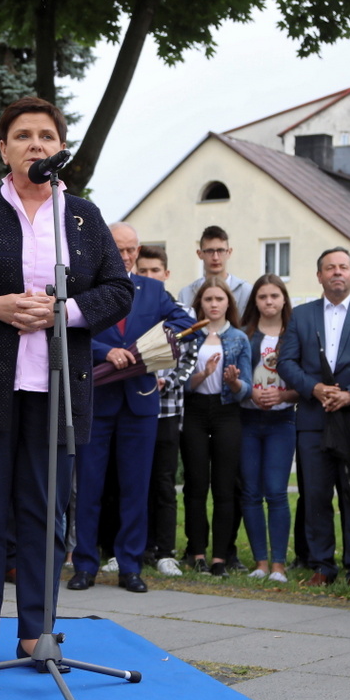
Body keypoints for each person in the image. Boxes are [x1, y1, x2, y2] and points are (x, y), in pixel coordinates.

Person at [0, 96, 132, 669]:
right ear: (4, 149)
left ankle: (36, 634)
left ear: (60, 149)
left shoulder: (82, 217)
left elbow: (118, 290)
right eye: (23, 136)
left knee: (44, 515)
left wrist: (61, 311)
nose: (35, 145)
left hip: (58, 389)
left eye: (46, 136)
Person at [69, 222, 196, 594]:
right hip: (96, 399)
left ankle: (130, 566)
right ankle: (85, 564)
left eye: (131, 250)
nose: (126, 257)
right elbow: (71, 332)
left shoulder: (153, 289)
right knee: (89, 488)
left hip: (140, 403)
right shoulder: (85, 287)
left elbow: (186, 324)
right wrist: (104, 351)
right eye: (119, 249)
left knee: (135, 488)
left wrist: (149, 349)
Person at [278, 248, 350, 588]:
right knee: (316, 495)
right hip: (314, 417)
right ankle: (322, 565)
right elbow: (286, 362)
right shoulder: (302, 315)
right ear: (319, 276)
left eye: (343, 267)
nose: (337, 272)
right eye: (329, 268)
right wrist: (316, 389)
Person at [179, 277, 251, 575]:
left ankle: (220, 557)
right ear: (200, 304)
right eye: (208, 299)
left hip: (226, 414)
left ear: (228, 304)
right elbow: (181, 383)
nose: (213, 304)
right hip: (195, 412)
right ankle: (196, 553)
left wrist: (233, 382)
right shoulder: (189, 336)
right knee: (195, 486)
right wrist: (204, 373)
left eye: (219, 299)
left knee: (224, 487)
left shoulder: (239, 338)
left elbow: (246, 389)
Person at [135, 245, 194, 576]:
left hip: (167, 409)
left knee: (163, 481)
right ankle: (134, 547)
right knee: (132, 481)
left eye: (154, 271)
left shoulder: (177, 309)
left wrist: (165, 383)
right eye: (142, 271)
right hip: (131, 409)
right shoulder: (128, 304)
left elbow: (188, 356)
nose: (148, 276)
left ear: (166, 274)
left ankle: (165, 551)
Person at [239, 274, 299, 581]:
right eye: (263, 297)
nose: (269, 302)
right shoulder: (244, 335)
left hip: (282, 420)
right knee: (250, 492)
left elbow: (303, 382)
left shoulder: (294, 335)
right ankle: (260, 563)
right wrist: (249, 391)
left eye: (275, 296)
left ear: (284, 299)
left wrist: (283, 394)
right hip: (248, 420)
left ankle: (278, 564)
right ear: (255, 302)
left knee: (276, 491)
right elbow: (233, 380)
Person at [179, 226, 252, 318]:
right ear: (200, 254)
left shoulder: (246, 291)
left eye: (220, 251)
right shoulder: (186, 294)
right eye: (210, 251)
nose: (215, 257)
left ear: (229, 252)